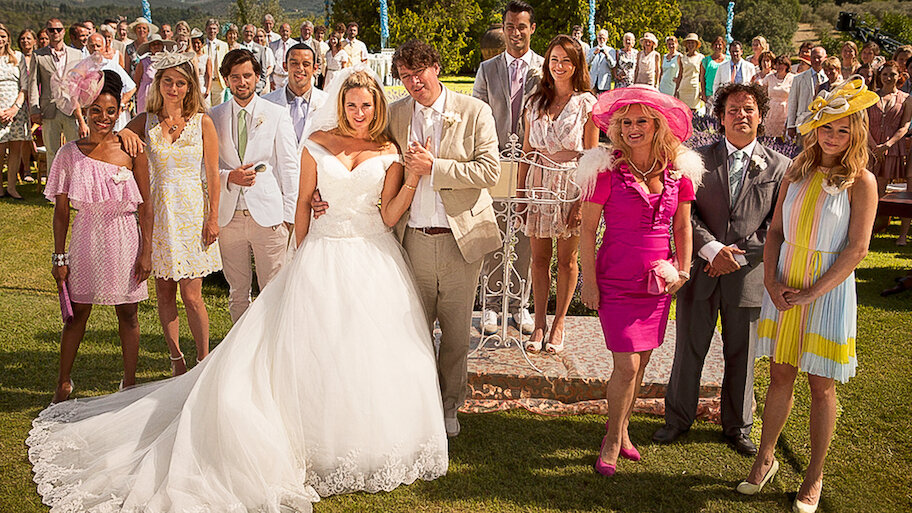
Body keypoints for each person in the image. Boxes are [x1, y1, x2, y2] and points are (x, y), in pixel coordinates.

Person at [26, 64, 449, 511]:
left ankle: (366, 435)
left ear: (377, 107)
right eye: (351, 104)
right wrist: (303, 258)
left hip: (372, 257)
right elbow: (304, 205)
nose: (358, 112)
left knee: (368, 351)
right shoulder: (318, 144)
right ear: (340, 105)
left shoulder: (389, 150)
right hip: (322, 254)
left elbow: (387, 215)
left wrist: (416, 176)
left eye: (366, 105)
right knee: (312, 347)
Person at [736, 77, 878, 513]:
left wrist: (812, 292)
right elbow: (775, 231)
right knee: (779, 375)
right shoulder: (796, 169)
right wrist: (775, 284)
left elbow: (857, 249)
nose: (833, 137)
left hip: (827, 291)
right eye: (826, 127)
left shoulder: (862, 181)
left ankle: (813, 474)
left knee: (821, 385)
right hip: (786, 281)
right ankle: (765, 459)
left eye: (842, 129)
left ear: (855, 132)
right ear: (814, 128)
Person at [655, 82, 790, 456]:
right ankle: (677, 419)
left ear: (761, 117)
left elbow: (777, 226)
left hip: (746, 278)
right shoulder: (695, 160)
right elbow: (685, 213)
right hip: (701, 270)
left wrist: (736, 256)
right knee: (689, 349)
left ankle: (738, 426)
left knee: (742, 355)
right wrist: (711, 250)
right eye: (733, 110)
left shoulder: (781, 167)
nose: (741, 116)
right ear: (720, 117)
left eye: (748, 109)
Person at [577, 85, 701, 476]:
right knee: (627, 366)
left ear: (657, 125)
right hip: (614, 281)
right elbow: (585, 232)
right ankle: (612, 438)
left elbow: (683, 227)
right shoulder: (605, 171)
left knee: (642, 361)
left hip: (657, 285)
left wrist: (682, 271)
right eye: (626, 122)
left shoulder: (678, 171)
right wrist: (589, 282)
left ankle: (624, 429)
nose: (633, 128)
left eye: (641, 121)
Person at [390, 39, 501, 438]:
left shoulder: (474, 112)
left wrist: (435, 167)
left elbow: (490, 171)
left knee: (455, 334)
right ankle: (416, 405)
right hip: (412, 239)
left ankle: (449, 406)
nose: (413, 82)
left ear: (436, 67)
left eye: (418, 72)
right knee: (413, 330)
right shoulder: (395, 113)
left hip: (460, 240)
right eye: (404, 76)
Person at [44, 69, 152, 402]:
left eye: (110, 111)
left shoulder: (133, 149)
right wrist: (59, 257)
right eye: (96, 111)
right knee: (77, 313)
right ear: (84, 110)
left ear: (120, 110)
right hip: (86, 238)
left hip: (124, 237)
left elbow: (147, 206)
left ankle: (129, 383)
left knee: (129, 312)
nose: (103, 118)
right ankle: (63, 382)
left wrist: (146, 251)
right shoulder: (68, 154)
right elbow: (61, 213)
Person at [122, 50, 222, 376]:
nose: (174, 89)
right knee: (164, 291)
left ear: (190, 87)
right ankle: (176, 360)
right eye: (168, 82)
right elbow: (115, 139)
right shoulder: (146, 122)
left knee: (192, 296)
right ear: (158, 84)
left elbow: (213, 174)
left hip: (193, 216)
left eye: (181, 83)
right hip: (159, 218)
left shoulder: (202, 122)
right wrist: (123, 132)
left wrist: (213, 218)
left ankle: (203, 360)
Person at [518, 35, 597, 353]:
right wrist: (521, 194)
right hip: (538, 183)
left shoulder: (588, 105)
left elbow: (591, 157)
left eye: (566, 60)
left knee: (567, 260)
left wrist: (581, 203)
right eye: (554, 59)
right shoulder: (534, 103)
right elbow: (526, 151)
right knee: (538, 260)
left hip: (570, 186)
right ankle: (538, 324)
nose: (559, 66)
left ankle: (559, 323)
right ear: (546, 64)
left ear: (577, 65)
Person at [210, 49, 299, 322]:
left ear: (258, 77)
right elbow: (206, 168)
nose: (242, 82)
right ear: (226, 80)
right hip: (229, 218)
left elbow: (289, 166)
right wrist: (228, 177)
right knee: (237, 293)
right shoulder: (213, 116)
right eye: (235, 77)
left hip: (269, 217)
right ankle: (242, 356)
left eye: (247, 75)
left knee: (273, 291)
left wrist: (288, 217)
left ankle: (273, 351)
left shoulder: (276, 113)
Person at [473, 0, 543, 336]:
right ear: (503, 29)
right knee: (494, 232)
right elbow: (478, 116)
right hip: (496, 162)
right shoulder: (487, 70)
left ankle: (520, 305)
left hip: (532, 164)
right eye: (509, 27)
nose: (515, 33)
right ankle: (489, 303)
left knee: (526, 234)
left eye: (521, 26)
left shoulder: (546, 69)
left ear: (532, 28)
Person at [28, 18, 86, 171]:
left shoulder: (77, 54)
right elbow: (33, 84)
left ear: (63, 31)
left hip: (71, 109)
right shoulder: (38, 55)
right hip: (49, 109)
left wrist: (83, 108)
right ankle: (52, 192)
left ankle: (75, 188)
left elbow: (81, 84)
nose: (55, 32)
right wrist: (34, 110)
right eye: (51, 30)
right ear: (46, 32)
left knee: (75, 150)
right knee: (52, 152)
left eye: (58, 29)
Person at [868, 61, 912, 246]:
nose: (888, 78)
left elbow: (905, 125)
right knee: (871, 189)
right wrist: (873, 145)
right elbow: (864, 123)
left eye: (892, 74)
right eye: (885, 74)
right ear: (880, 75)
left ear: (899, 76)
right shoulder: (870, 96)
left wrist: (887, 144)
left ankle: (900, 234)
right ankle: (867, 229)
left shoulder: (906, 98)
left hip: (893, 148)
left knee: (890, 190)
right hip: (870, 148)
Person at [263, 43, 328, 151]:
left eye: (306, 64)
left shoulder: (327, 102)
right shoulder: (267, 102)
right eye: (294, 63)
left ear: (315, 68)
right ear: (285, 66)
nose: (300, 68)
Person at [0, 23, 29, 199]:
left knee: (16, 150)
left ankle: (12, 187)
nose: (0, 39)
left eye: (3, 36)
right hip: (0, 110)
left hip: (17, 110)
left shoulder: (17, 57)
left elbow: (24, 86)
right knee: (0, 151)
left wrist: (15, 108)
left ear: (8, 38)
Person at [86, 33, 136, 131]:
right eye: (92, 46)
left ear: (104, 47)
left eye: (98, 46)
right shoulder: (82, 67)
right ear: (87, 47)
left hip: (113, 115)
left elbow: (132, 87)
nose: (95, 48)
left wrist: (121, 104)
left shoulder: (112, 65)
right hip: (92, 115)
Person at [787, 46, 827, 138]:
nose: (816, 60)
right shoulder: (798, 79)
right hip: (803, 124)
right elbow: (793, 102)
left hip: (824, 125)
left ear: (825, 58)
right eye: (813, 57)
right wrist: (791, 125)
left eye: (819, 57)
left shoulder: (830, 78)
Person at [132, 35, 175, 113]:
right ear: (150, 47)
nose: (156, 46)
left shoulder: (168, 61)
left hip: (163, 94)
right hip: (146, 95)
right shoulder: (143, 62)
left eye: (158, 44)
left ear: (162, 46)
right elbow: (136, 81)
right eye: (153, 44)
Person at [762, 55, 794, 138]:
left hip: (785, 111)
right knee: (769, 137)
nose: (779, 67)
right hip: (771, 112)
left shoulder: (792, 78)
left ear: (787, 65)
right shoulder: (769, 78)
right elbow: (763, 94)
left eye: (782, 64)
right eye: (777, 64)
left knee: (783, 138)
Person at [203, 18, 228, 106]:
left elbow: (226, 64)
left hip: (219, 82)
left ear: (217, 30)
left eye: (214, 29)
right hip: (205, 82)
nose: (212, 31)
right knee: (206, 107)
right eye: (210, 28)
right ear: (206, 29)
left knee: (218, 108)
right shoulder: (201, 46)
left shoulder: (224, 45)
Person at [239, 23, 269, 94]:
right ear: (243, 33)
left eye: (251, 32)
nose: (249, 34)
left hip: (257, 88)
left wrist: (260, 85)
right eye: (246, 31)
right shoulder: (238, 47)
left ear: (254, 34)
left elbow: (263, 70)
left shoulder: (261, 49)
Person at [678, 33, 704, 111]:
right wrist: (677, 89)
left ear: (696, 44)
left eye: (692, 43)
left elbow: (702, 76)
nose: (690, 45)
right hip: (683, 87)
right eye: (689, 43)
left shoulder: (701, 57)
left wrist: (702, 90)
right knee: (683, 110)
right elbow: (680, 75)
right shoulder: (683, 58)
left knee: (693, 112)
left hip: (694, 88)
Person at [700, 36, 728, 111]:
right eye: (715, 44)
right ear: (712, 46)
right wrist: (703, 94)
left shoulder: (728, 59)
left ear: (723, 46)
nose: (717, 46)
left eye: (720, 44)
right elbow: (702, 78)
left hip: (724, 92)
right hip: (710, 92)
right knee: (709, 117)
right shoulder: (706, 60)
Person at [269, 23, 298, 89]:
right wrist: (271, 79)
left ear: (290, 32)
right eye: (283, 31)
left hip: (289, 77)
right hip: (276, 77)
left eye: (287, 31)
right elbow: (270, 62)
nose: (285, 33)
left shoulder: (295, 45)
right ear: (280, 32)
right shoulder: (272, 45)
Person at [587, 29, 615, 95]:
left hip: (604, 82)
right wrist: (594, 54)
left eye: (603, 38)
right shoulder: (592, 50)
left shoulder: (611, 50)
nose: (601, 40)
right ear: (597, 38)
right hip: (593, 81)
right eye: (599, 38)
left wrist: (607, 55)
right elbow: (587, 63)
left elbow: (613, 65)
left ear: (607, 39)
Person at [190, 29, 212, 105]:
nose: (196, 45)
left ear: (202, 44)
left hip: (202, 88)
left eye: (198, 43)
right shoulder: (189, 58)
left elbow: (209, 75)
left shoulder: (206, 58)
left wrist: (207, 90)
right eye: (193, 43)